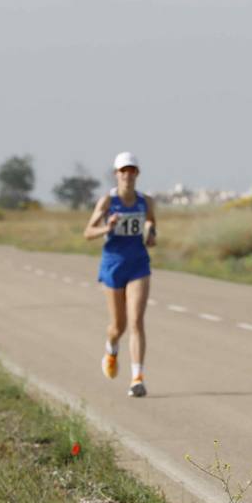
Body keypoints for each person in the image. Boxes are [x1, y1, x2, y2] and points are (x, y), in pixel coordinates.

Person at [84, 152, 156, 398]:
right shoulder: (107, 202)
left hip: (138, 264)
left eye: (132, 170)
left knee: (136, 321)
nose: (127, 175)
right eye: (123, 171)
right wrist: (108, 226)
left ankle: (137, 378)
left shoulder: (146, 202)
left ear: (137, 173)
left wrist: (151, 234)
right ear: (116, 174)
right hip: (113, 265)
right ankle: (111, 348)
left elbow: (151, 229)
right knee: (118, 326)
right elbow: (88, 232)